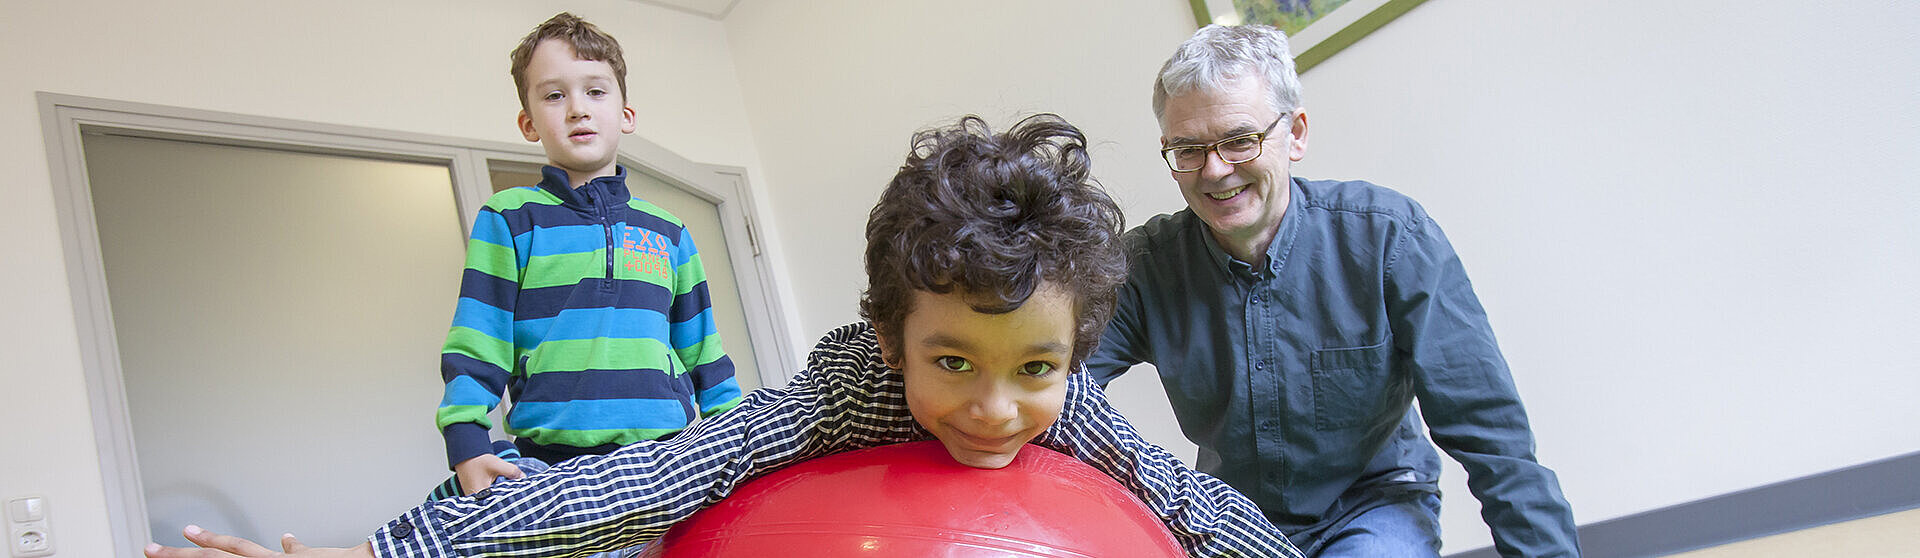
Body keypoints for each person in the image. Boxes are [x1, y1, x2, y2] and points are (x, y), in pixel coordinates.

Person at [144, 114, 1302, 558]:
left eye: (1034, 370)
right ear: (893, 342)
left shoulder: (1076, 404)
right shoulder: (847, 390)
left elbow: (1186, 502)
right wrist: (388, 552)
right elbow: (650, 476)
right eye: (954, 362)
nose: (997, 408)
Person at [1084, 24, 1580, 557]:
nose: (1215, 170)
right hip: (1227, 521)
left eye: (1239, 140)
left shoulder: (1391, 238)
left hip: (1375, 506)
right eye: (1189, 149)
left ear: (1294, 133)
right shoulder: (1143, 267)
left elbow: (1493, 439)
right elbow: (1056, 388)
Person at [432, 12, 742, 504]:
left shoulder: (671, 232)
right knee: (440, 522)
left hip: (669, 461)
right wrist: (466, 441)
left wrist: (740, 440)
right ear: (528, 123)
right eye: (555, 95)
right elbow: (478, 342)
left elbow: (704, 353)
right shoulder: (509, 219)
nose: (577, 108)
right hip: (550, 467)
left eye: (595, 92)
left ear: (626, 115)